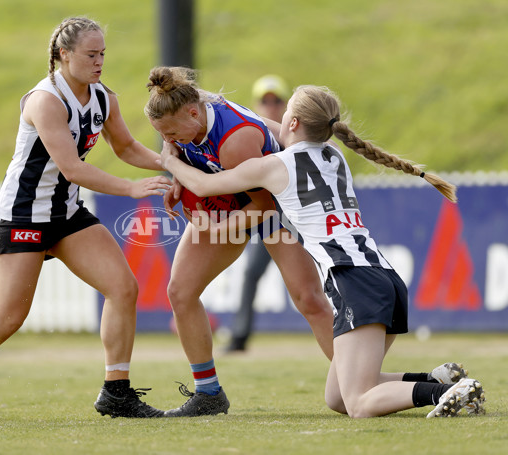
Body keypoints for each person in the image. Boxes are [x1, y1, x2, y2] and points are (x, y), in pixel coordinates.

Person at [159, 84, 486, 418]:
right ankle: (434, 380)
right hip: (383, 278)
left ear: (294, 122)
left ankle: (448, 392)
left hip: (354, 282)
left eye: (286, 113)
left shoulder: (273, 167)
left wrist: (169, 160)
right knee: (338, 397)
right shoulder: (334, 154)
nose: (280, 117)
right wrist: (198, 95)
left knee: (358, 403)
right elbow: (259, 122)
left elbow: (203, 184)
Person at [0, 17, 172, 420]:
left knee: (123, 287)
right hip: (22, 216)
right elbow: (73, 168)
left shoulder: (103, 97)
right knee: (9, 318)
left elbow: (126, 146)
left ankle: (116, 392)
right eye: (91, 55)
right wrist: (131, 188)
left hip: (66, 214)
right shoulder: (46, 101)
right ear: (64, 55)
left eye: (103, 55)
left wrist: (169, 166)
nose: (99, 63)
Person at [145, 66, 336, 418]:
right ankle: (208, 393)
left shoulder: (235, 140)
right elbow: (180, 154)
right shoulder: (183, 117)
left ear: (193, 112)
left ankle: (359, 379)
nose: (169, 140)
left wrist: (217, 228)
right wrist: (178, 181)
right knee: (180, 291)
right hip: (233, 201)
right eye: (163, 135)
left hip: (275, 204)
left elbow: (262, 206)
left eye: (172, 132)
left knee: (308, 299)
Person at [227, 74, 290, 353]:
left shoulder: (292, 135)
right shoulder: (248, 134)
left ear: (285, 104)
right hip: (269, 217)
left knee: (311, 285)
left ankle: (343, 332)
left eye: (275, 100)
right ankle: (240, 336)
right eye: (265, 101)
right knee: (251, 273)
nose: (271, 106)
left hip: (293, 216)